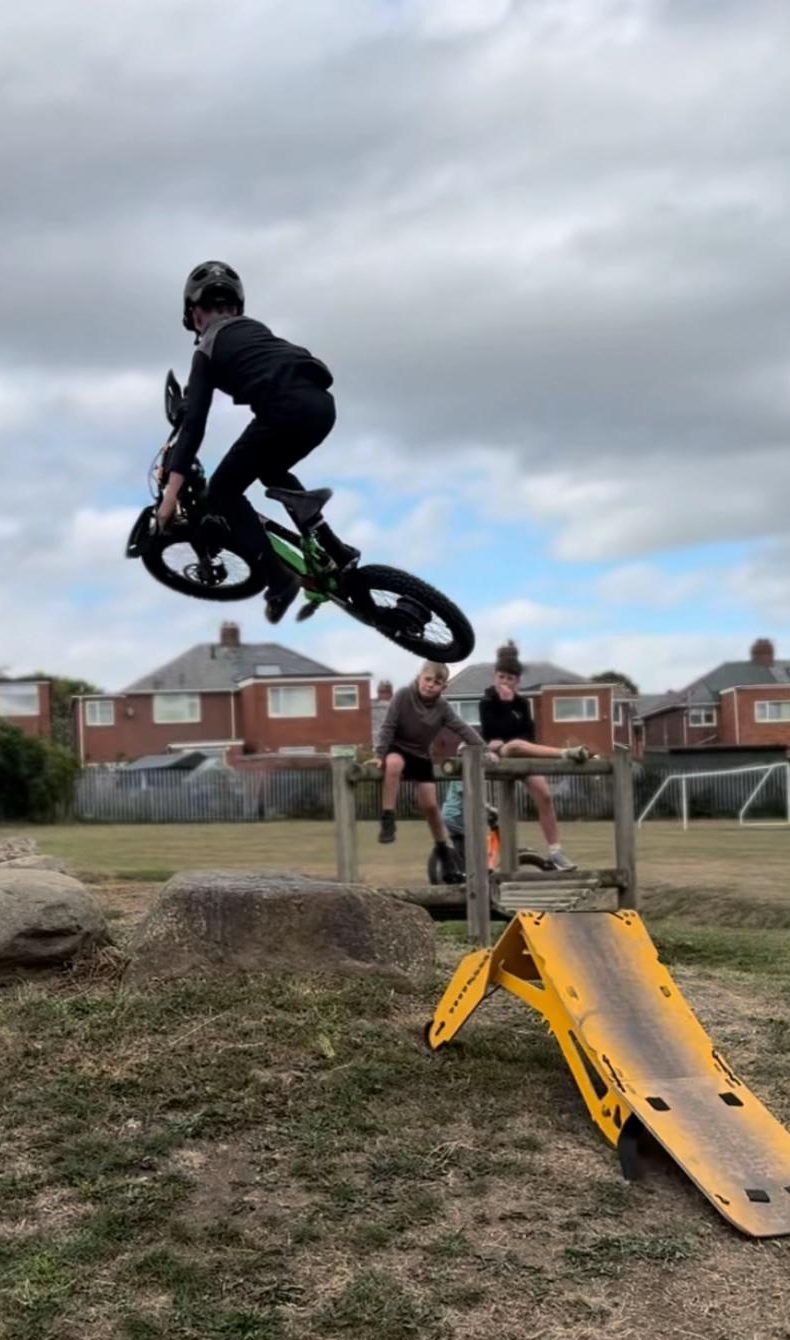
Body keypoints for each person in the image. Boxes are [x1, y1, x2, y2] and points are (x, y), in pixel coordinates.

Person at [155, 260, 351, 624]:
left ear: (194, 312)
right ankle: (333, 547)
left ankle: (279, 581)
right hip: (321, 407)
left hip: (283, 412)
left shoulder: (206, 349)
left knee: (222, 492)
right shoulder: (254, 330)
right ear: (237, 306)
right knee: (271, 468)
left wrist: (170, 498)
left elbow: (194, 426)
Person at [475, 641, 591, 871]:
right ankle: (565, 753)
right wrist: (505, 708)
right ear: (494, 677)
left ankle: (556, 852)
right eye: (501, 677)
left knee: (545, 796)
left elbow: (528, 733)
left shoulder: (522, 704)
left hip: (522, 752)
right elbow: (491, 732)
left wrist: (511, 712)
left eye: (510, 678)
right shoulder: (486, 702)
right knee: (514, 745)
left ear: (517, 682)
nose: (505, 682)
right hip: (500, 753)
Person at [372, 661, 485, 882]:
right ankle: (388, 818)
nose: (431, 685)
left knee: (431, 805)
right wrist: (379, 754)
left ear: (443, 687)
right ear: (419, 678)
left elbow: (461, 727)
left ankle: (443, 848)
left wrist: (484, 749)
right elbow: (388, 726)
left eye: (437, 682)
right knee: (393, 765)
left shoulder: (442, 707)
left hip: (421, 755)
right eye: (428, 679)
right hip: (398, 747)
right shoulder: (403, 695)